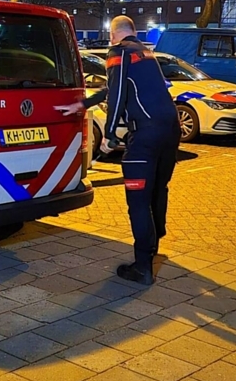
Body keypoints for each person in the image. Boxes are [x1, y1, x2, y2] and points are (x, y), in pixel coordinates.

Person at [56, 17, 179, 286]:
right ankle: (154, 245)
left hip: (145, 135)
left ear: (113, 35)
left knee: (137, 200)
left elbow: (118, 93)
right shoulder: (146, 53)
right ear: (133, 32)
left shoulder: (118, 53)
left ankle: (142, 266)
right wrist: (83, 104)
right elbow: (115, 86)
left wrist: (109, 135)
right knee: (158, 189)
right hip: (170, 131)